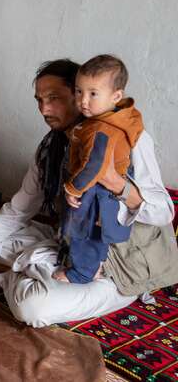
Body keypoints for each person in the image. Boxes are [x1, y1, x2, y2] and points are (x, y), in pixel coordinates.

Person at [0, 59, 178, 327]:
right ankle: (35, 269)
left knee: (33, 308)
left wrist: (117, 184)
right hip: (71, 242)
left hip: (120, 266)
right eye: (39, 100)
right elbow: (18, 210)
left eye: (54, 98)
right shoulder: (51, 147)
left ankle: (17, 275)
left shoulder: (128, 139)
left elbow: (163, 212)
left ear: (76, 95)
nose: (44, 109)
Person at [55, 55, 143, 284]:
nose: (83, 100)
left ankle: (82, 273)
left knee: (83, 231)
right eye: (79, 91)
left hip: (97, 190)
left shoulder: (100, 128)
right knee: (94, 233)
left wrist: (73, 188)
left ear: (116, 96)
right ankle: (93, 264)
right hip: (104, 190)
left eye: (93, 93)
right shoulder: (111, 119)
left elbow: (95, 165)